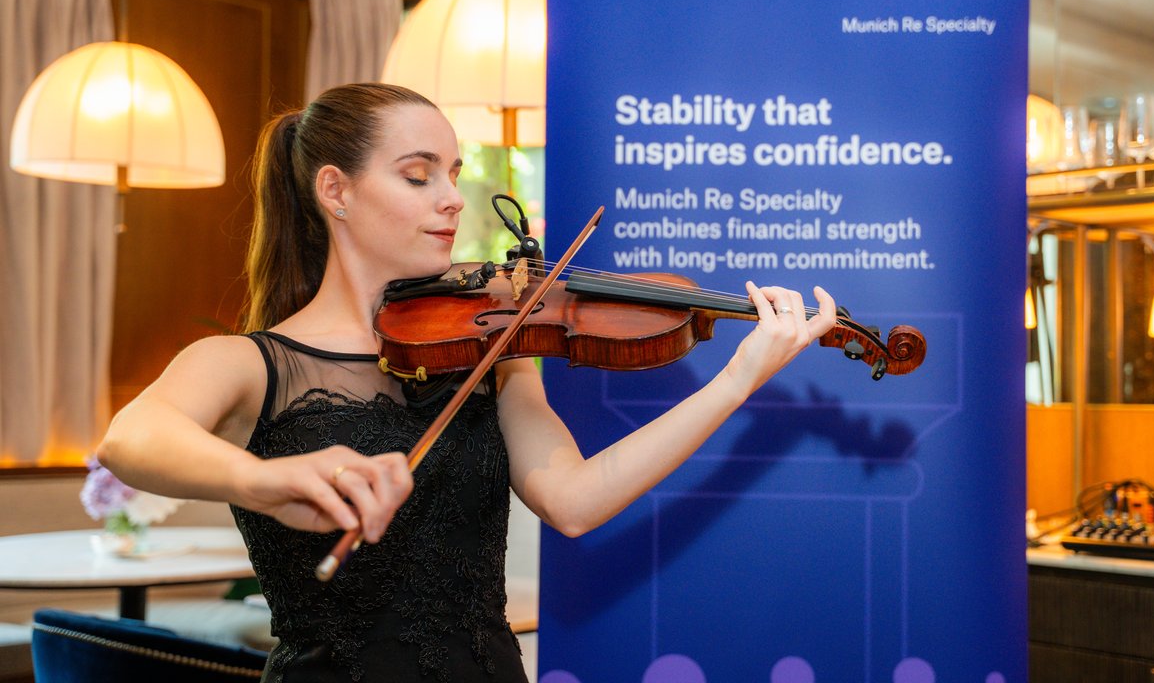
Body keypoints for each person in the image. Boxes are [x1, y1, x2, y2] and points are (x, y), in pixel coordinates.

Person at [96, 82, 836, 682]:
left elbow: (575, 502)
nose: (452, 197)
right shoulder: (252, 362)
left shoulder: (499, 348)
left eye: (453, 173)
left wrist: (737, 380)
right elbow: (130, 440)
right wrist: (267, 479)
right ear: (336, 191)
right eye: (419, 175)